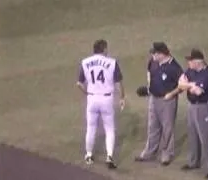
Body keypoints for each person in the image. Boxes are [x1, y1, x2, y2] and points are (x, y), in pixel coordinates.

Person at [76, 39, 125, 169]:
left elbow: (79, 84)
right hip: (106, 99)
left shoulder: (85, 62)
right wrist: (122, 97)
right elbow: (118, 82)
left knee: (91, 128)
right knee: (109, 129)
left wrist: (87, 93)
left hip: (92, 99)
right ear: (103, 49)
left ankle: (89, 155)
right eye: (106, 48)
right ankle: (109, 156)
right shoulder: (112, 62)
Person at [135, 42, 183, 166]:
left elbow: (183, 85)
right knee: (152, 127)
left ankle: (166, 154)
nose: (152, 55)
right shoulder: (153, 61)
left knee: (167, 128)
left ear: (162, 54)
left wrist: (172, 94)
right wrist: (149, 88)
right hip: (153, 98)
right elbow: (149, 73)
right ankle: (149, 152)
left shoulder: (174, 67)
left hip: (167, 101)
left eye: (155, 53)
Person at [178, 49, 208, 179]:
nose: (188, 63)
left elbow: (198, 92)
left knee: (206, 137)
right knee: (193, 135)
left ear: (198, 61)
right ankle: (193, 162)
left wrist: (188, 85)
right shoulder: (191, 71)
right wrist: (191, 84)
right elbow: (180, 84)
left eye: (190, 60)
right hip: (192, 106)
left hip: (205, 107)